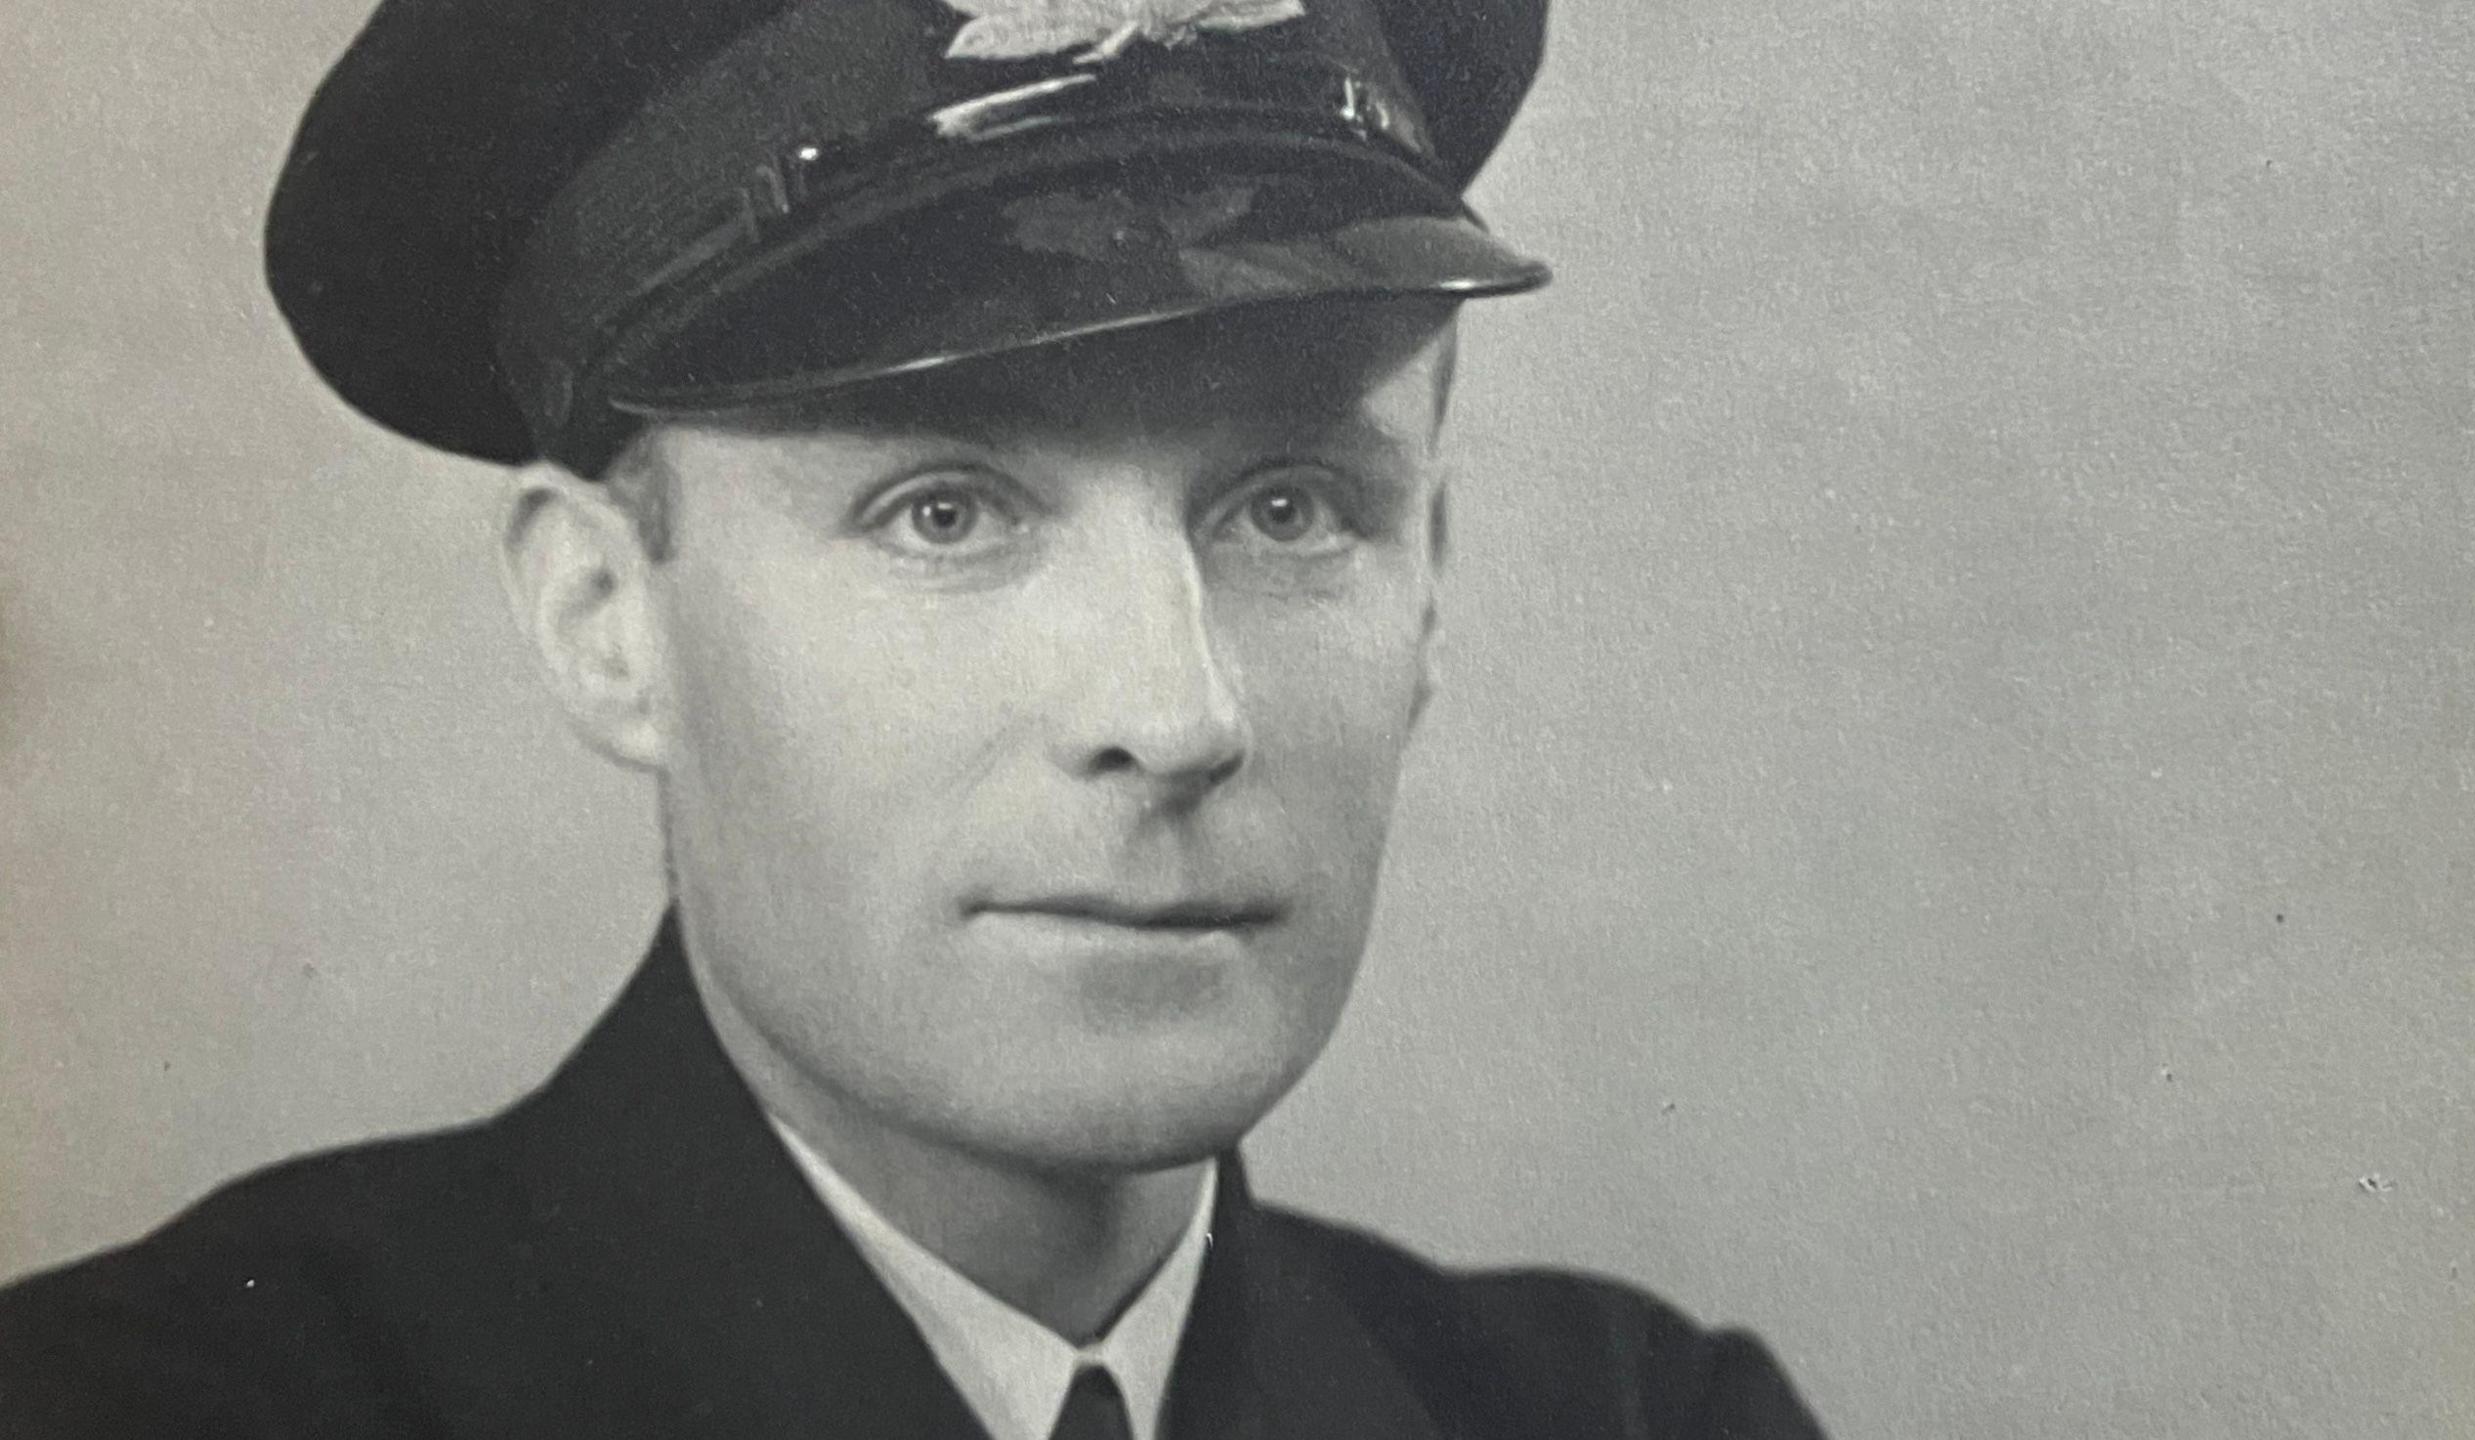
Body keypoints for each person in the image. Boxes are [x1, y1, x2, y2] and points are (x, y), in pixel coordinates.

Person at [0, 0, 1827, 1434]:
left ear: (1429, 567)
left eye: (1289, 506)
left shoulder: (1633, 1414)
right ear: (604, 618)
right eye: (945, 509)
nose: (1174, 711)